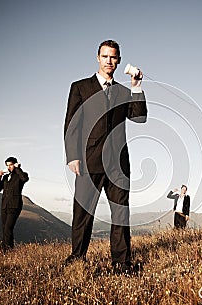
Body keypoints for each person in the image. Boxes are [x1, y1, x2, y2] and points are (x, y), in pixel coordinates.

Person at [64, 40, 147, 273]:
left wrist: (137, 87)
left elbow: (139, 118)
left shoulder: (123, 91)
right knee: (82, 214)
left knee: (120, 214)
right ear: (98, 58)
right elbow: (72, 124)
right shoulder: (80, 87)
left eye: (114, 57)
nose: (109, 61)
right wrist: (72, 156)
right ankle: (77, 257)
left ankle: (121, 262)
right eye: (105, 56)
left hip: (119, 164)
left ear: (119, 60)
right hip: (88, 161)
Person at [0, 157, 29, 250]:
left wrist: (18, 168)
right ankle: (8, 250)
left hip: (15, 205)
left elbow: (24, 179)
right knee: (5, 229)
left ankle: (6, 251)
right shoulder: (6, 177)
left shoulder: (20, 175)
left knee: (8, 228)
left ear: (15, 164)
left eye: (10, 165)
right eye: (7, 165)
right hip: (4, 206)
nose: (9, 167)